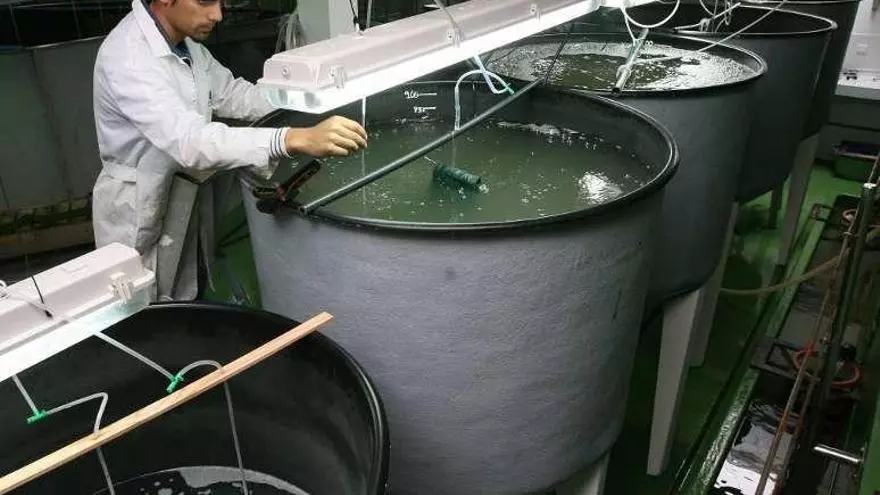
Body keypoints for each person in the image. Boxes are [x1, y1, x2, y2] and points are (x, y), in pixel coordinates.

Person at [92, 0, 367, 302]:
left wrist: (308, 99)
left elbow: (233, 95)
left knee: (185, 290)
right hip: (138, 203)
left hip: (180, 190)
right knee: (139, 304)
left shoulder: (186, 47)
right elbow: (190, 142)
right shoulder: (129, 57)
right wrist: (292, 138)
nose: (217, 15)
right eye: (204, 2)